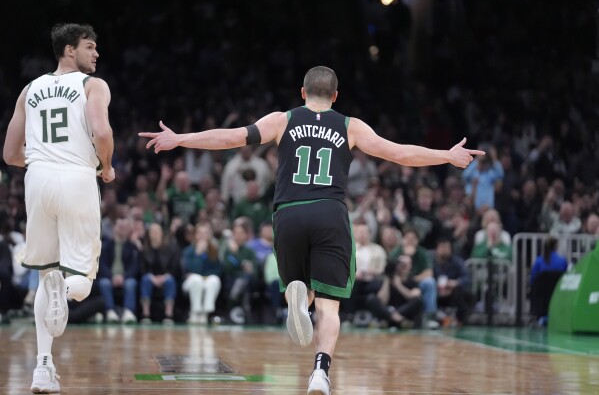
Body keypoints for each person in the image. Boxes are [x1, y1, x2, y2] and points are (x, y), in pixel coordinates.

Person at [139, 66, 483, 395]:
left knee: (300, 285)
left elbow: (233, 138)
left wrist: (180, 138)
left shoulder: (283, 120)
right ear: (336, 96)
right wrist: (446, 155)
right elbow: (399, 154)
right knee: (331, 307)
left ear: (302, 93)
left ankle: (299, 298)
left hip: (289, 213)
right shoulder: (351, 126)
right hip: (330, 214)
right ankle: (320, 371)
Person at [3, 23, 115, 393]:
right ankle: (63, 292)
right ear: (70, 50)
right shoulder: (91, 85)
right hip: (76, 177)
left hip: (36, 181)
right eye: (90, 46)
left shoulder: (29, 89)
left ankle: (43, 368)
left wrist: (40, 161)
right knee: (81, 280)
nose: (96, 53)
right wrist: (107, 166)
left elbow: (9, 154)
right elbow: (101, 132)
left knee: (44, 274)